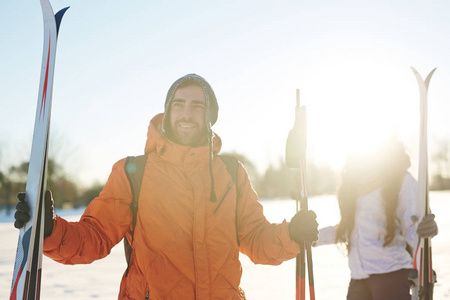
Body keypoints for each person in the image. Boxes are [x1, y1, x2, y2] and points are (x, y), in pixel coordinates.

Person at [14, 73, 319, 300]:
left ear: (209, 117)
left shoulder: (231, 173)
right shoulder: (134, 172)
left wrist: (290, 235)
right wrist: (50, 230)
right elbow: (95, 237)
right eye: (179, 105)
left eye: (198, 106)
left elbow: (255, 238)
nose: (187, 113)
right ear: (168, 112)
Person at [314, 139, 438, 300]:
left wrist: (424, 229)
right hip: (358, 279)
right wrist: (312, 237)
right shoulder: (353, 185)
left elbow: (412, 226)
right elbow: (348, 230)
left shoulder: (400, 181)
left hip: (391, 275)